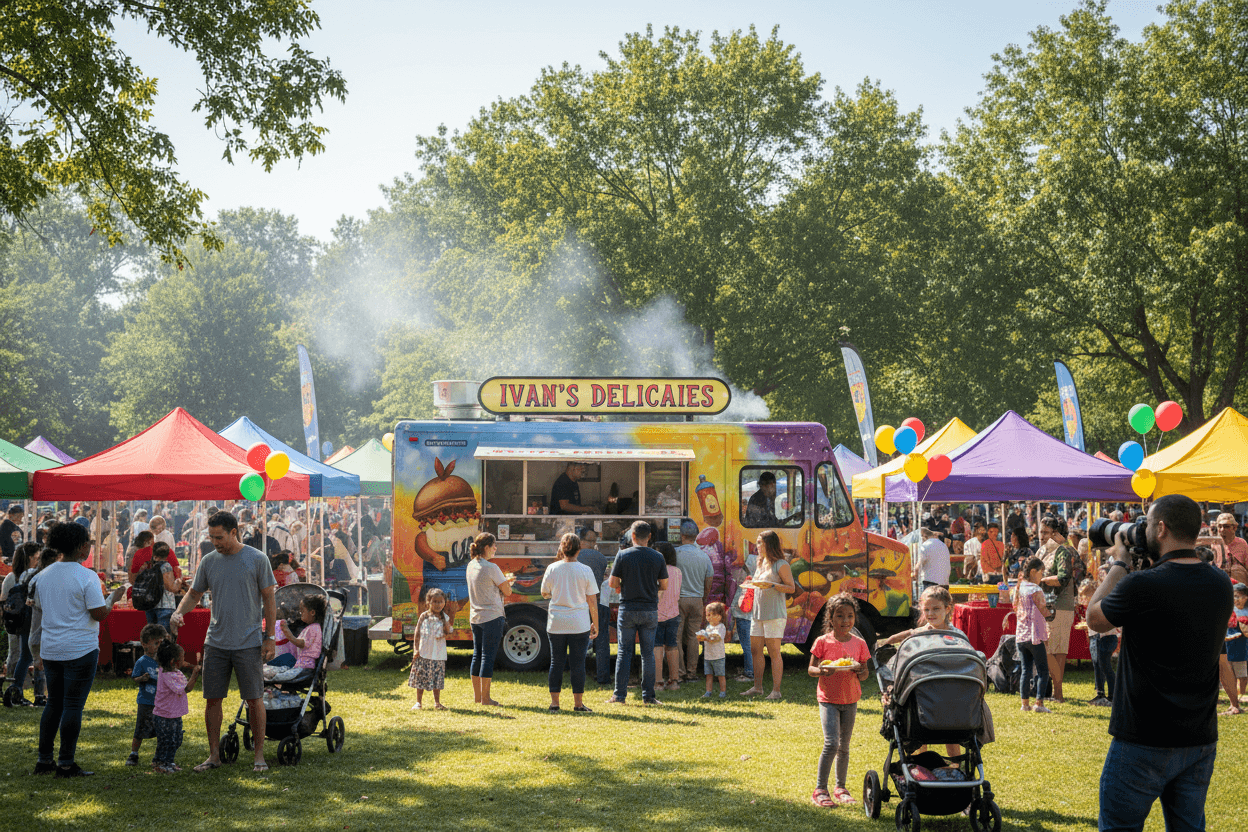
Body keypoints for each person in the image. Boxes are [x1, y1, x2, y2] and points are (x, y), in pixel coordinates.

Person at [1087, 494, 1233, 831]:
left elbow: (1095, 618)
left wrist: (1121, 563)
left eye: (1149, 524)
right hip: (1198, 737)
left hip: (1143, 736)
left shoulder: (1142, 584)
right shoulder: (1221, 584)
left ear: (1162, 527)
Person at [169, 510, 276, 773]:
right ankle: (213, 755)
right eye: (212, 537)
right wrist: (178, 612)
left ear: (233, 532)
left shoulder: (257, 559)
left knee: (254, 699)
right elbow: (194, 594)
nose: (215, 542)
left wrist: (270, 637)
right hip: (215, 641)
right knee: (212, 699)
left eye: (220, 537)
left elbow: (270, 600)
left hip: (249, 641)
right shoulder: (208, 561)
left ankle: (259, 756)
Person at [29, 522, 127, 776]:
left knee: (54, 704)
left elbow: (39, 611)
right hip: (80, 648)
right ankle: (66, 762)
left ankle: (44, 759)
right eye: (89, 543)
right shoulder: (86, 576)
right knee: (72, 705)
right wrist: (113, 598)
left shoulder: (43, 576)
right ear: (82, 546)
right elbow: (99, 613)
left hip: (51, 648)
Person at [807, 592, 870, 808]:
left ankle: (840, 787)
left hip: (850, 699)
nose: (845, 621)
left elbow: (864, 673)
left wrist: (861, 671)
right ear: (830, 618)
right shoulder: (822, 641)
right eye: (840, 616)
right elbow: (811, 669)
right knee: (831, 743)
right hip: (828, 699)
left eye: (850, 616)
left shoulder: (860, 643)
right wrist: (822, 671)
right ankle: (820, 789)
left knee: (844, 746)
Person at [607, 521, 668, 706]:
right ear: (649, 537)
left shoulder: (623, 555)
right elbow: (664, 585)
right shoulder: (658, 557)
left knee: (624, 652)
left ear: (632, 536)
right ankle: (648, 697)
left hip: (628, 609)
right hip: (649, 609)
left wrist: (624, 583)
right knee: (647, 654)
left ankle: (619, 696)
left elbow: (612, 583)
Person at [540, 532, 599, 712]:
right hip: (578, 622)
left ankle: (555, 703)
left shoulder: (552, 568)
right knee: (578, 664)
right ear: (579, 550)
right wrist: (595, 624)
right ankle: (578, 704)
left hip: (556, 622)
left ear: (562, 549)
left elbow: (544, 592)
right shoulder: (585, 570)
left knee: (556, 662)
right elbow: (592, 600)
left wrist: (554, 594)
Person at [742, 530, 795, 700]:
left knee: (774, 651)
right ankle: (758, 687)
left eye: (759, 543)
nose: (756, 546)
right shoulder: (760, 562)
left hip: (774, 614)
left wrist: (771, 585)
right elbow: (758, 585)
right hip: (758, 613)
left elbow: (791, 588)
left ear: (768, 544)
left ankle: (776, 691)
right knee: (755, 650)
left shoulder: (781, 564)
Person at [466, 532, 511, 707]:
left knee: (477, 655)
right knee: (487, 657)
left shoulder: (471, 565)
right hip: (492, 616)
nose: (495, 549)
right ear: (486, 548)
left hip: (476, 616)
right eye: (494, 546)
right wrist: (507, 584)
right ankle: (486, 698)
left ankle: (478, 697)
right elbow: (507, 591)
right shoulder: (491, 567)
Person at [1037, 514, 1077, 703]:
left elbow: (1063, 578)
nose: (1041, 536)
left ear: (1054, 533)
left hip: (1060, 605)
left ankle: (1058, 693)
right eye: (1040, 532)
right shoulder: (1041, 552)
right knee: (1054, 650)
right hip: (1047, 606)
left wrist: (1041, 580)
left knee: (1053, 650)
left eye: (1045, 532)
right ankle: (1057, 694)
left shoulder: (1062, 551)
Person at [151, 639, 201, 773]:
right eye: (182, 658)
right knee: (168, 741)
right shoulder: (168, 675)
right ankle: (163, 763)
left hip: (173, 714)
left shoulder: (169, 670)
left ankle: (164, 761)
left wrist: (190, 666)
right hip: (165, 716)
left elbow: (170, 655)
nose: (184, 661)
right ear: (173, 662)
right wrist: (195, 674)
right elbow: (186, 689)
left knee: (175, 739)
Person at [673, 519, 712, 680]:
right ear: (696, 536)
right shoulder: (704, 556)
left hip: (679, 600)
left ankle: (680, 672)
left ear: (681, 535)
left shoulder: (675, 554)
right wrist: (703, 597)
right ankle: (692, 672)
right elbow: (709, 580)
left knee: (676, 637)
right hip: (697, 599)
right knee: (693, 636)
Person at [573, 527, 612, 686]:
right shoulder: (601, 558)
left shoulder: (573, 557)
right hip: (599, 602)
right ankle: (603, 677)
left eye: (594, 541)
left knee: (578, 640)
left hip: (578, 603)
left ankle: (578, 675)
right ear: (582, 541)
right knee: (602, 639)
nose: (593, 544)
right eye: (591, 541)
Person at [1014, 556, 1052, 714]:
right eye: (1041, 573)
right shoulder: (1036, 590)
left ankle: (1024, 704)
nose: (1042, 577)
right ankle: (1039, 703)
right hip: (1034, 636)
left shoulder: (1020, 587)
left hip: (1021, 635)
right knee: (1043, 671)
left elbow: (1015, 607)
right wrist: (1051, 614)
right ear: (1033, 572)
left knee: (1026, 670)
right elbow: (1043, 609)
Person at [126, 623, 166, 766]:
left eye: (160, 643)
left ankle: (159, 756)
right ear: (144, 644)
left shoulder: (161, 661)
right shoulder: (141, 662)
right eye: (155, 643)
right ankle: (133, 754)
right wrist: (142, 678)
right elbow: (134, 678)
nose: (158, 646)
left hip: (160, 702)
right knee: (140, 728)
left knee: (161, 729)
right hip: (145, 701)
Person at [408, 588, 451, 710]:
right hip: (423, 653)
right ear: (428, 602)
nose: (438, 604)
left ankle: (437, 703)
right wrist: (416, 649)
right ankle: (418, 702)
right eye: (435, 602)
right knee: (420, 678)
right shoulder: (424, 616)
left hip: (438, 654)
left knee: (437, 679)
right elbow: (417, 633)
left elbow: (447, 632)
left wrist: (447, 624)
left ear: (444, 602)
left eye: (440, 602)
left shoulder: (445, 617)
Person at [265, 595, 324, 677]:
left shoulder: (314, 628)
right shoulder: (312, 628)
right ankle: (268, 672)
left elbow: (302, 644)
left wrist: (289, 634)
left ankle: (269, 676)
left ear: (312, 612)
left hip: (304, 667)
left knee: (281, 676)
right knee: (285, 662)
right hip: (300, 664)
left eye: (303, 611)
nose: (300, 613)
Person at [652, 541, 683, 691]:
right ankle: (674, 681)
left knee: (657, 647)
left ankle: (658, 682)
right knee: (672, 646)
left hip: (656, 614)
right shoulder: (677, 571)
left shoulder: (654, 569)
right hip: (673, 613)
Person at [136, 541, 181, 630]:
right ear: (168, 554)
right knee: (163, 637)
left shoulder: (148, 566)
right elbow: (170, 587)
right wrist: (179, 583)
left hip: (150, 605)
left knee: (152, 636)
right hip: (165, 606)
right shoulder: (166, 566)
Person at [728, 550, 757, 682]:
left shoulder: (747, 582)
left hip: (744, 616)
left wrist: (732, 613)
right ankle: (752, 670)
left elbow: (738, 601)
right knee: (753, 645)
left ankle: (749, 672)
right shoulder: (762, 580)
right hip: (755, 616)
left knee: (747, 646)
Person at [699, 601, 728, 698]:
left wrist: (707, 638)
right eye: (707, 615)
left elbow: (717, 638)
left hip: (718, 656)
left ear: (719, 616)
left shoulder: (721, 627)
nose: (709, 617)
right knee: (708, 675)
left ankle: (722, 692)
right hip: (708, 656)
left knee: (720, 675)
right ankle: (708, 691)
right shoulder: (708, 627)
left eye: (712, 615)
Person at [1214, 513, 1248, 585]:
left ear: (1234, 528)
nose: (1222, 530)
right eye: (1219, 527)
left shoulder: (1242, 544)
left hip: (1239, 588)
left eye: (1226, 526)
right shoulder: (1214, 545)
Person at [1227, 583, 1248, 700]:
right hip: (1227, 645)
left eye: (1238, 596)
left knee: (1241, 674)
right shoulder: (1229, 608)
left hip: (1240, 646)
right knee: (1229, 674)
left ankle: (1242, 695)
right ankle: (1234, 695)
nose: (1236, 599)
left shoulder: (1245, 610)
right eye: (1234, 596)